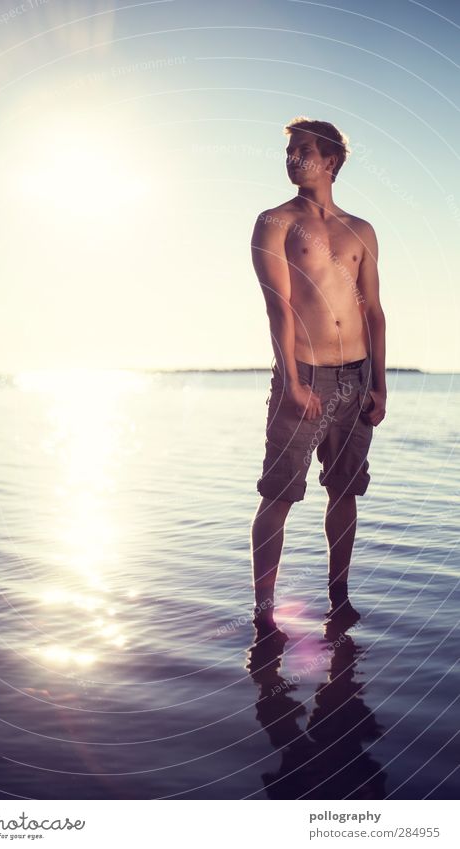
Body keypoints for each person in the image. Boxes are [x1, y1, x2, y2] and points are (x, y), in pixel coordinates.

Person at [250, 117, 387, 643]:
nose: (292, 159)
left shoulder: (361, 231)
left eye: (303, 151)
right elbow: (278, 307)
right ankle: (265, 611)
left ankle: (340, 598)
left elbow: (374, 310)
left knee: (345, 491)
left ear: (330, 161)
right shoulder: (274, 221)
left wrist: (379, 383)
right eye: (289, 151)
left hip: (357, 378)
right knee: (278, 493)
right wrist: (292, 380)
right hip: (303, 375)